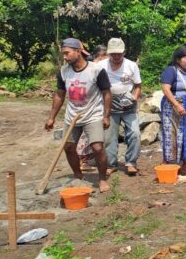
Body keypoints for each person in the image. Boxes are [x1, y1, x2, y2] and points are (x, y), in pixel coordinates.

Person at [44, 38, 112, 192]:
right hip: (72, 115)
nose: (65, 57)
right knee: (68, 147)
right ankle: (78, 175)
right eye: (63, 54)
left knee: (97, 147)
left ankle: (102, 179)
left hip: (93, 114)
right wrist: (51, 118)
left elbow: (107, 93)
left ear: (78, 51)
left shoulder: (96, 70)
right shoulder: (64, 71)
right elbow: (60, 95)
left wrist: (106, 115)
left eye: (67, 53)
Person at [101, 38, 142, 175]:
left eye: (119, 54)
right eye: (113, 54)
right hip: (108, 103)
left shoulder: (131, 65)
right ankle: (111, 164)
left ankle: (131, 162)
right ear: (108, 53)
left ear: (124, 52)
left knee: (135, 133)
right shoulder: (101, 66)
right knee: (109, 136)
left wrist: (134, 99)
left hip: (128, 103)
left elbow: (137, 86)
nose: (116, 56)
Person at [160, 46, 186, 177]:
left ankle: (185, 165)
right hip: (172, 107)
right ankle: (170, 165)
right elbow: (166, 90)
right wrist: (177, 105)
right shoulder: (171, 71)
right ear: (178, 59)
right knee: (172, 135)